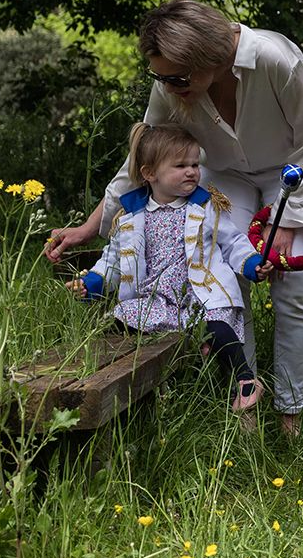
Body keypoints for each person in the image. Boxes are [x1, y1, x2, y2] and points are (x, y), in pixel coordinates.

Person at [46, 0, 303, 434]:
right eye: (160, 77)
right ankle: (246, 410)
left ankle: (291, 413)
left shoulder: (276, 60)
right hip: (220, 174)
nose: (169, 86)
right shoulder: (170, 85)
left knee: (290, 285)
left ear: (210, 58)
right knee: (221, 277)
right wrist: (90, 228)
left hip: (291, 172)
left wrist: (290, 221)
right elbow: (139, 163)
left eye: (177, 77)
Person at [67, 122, 271, 417]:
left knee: (217, 325)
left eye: (194, 164)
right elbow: (112, 261)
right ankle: (128, 398)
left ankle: (247, 382)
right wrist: (92, 284)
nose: (191, 171)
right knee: (121, 322)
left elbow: (233, 241)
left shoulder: (204, 208)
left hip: (200, 296)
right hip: (157, 300)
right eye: (180, 165)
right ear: (150, 174)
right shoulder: (130, 217)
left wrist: (251, 264)